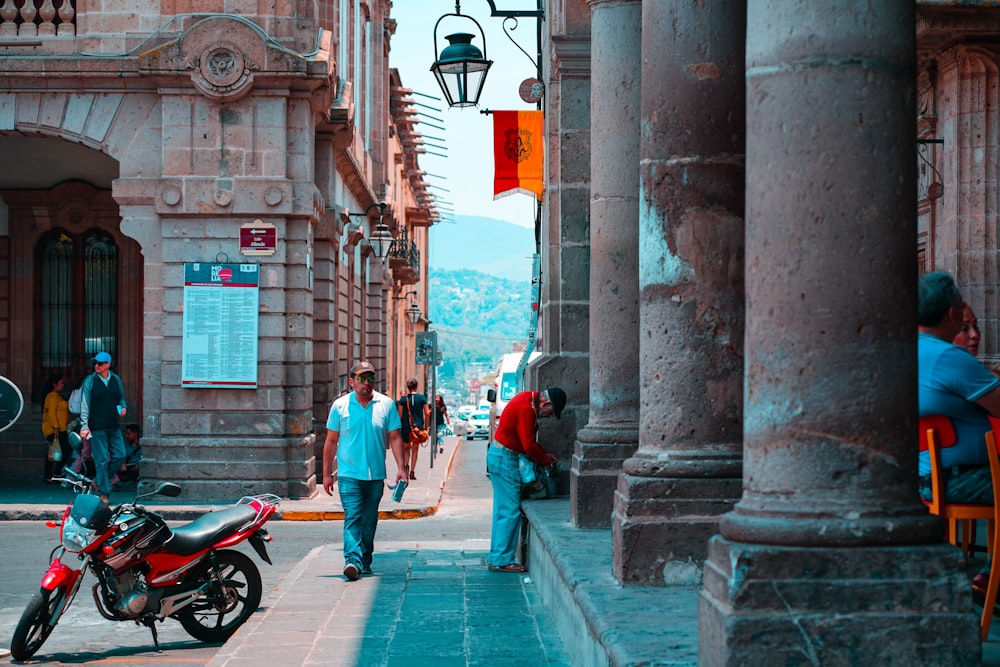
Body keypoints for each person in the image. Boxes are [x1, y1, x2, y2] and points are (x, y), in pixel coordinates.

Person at [323, 361, 408, 581]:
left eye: (370, 377)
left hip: (375, 476)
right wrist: (325, 474)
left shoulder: (386, 405)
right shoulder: (340, 406)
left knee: (369, 520)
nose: (367, 382)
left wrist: (402, 468)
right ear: (352, 382)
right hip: (348, 475)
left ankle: (365, 559)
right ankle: (352, 560)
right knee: (352, 517)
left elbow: (395, 437)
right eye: (361, 378)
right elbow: (331, 442)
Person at [486, 386, 566, 573]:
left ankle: (497, 557)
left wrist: (543, 454)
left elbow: (526, 442)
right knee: (510, 509)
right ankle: (502, 560)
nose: (548, 417)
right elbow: (528, 445)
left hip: (500, 455)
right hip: (505, 458)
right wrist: (545, 460)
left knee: (503, 509)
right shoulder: (527, 409)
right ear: (546, 404)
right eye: (551, 412)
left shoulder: (525, 398)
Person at [79, 351, 127, 503]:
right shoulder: (90, 380)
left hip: (113, 425)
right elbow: (85, 404)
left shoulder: (115, 379)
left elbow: (120, 397)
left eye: (100, 363)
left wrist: (123, 407)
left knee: (120, 455)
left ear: (108, 364)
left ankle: (99, 481)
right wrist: (84, 426)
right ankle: (103, 493)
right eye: (95, 363)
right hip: (97, 426)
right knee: (100, 460)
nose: (96, 366)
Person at [396, 378, 430, 480]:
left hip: (406, 426)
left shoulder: (403, 399)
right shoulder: (422, 398)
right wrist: (426, 426)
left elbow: (400, 415)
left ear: (408, 387)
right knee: (415, 449)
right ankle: (412, 471)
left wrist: (398, 428)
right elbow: (427, 413)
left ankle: (406, 465)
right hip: (418, 427)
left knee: (406, 448)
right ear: (416, 386)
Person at [41, 372, 71, 483]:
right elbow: (52, 413)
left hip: (61, 429)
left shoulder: (57, 397)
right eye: (61, 383)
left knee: (59, 452)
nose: (63, 385)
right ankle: (50, 475)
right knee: (55, 452)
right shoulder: (52, 396)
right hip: (55, 429)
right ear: (55, 384)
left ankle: (54, 474)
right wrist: (55, 427)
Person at [111, 423, 142, 488]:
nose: (126, 436)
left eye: (128, 434)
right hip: (125, 468)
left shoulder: (142, 447)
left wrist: (139, 466)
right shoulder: (124, 446)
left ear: (135, 434)